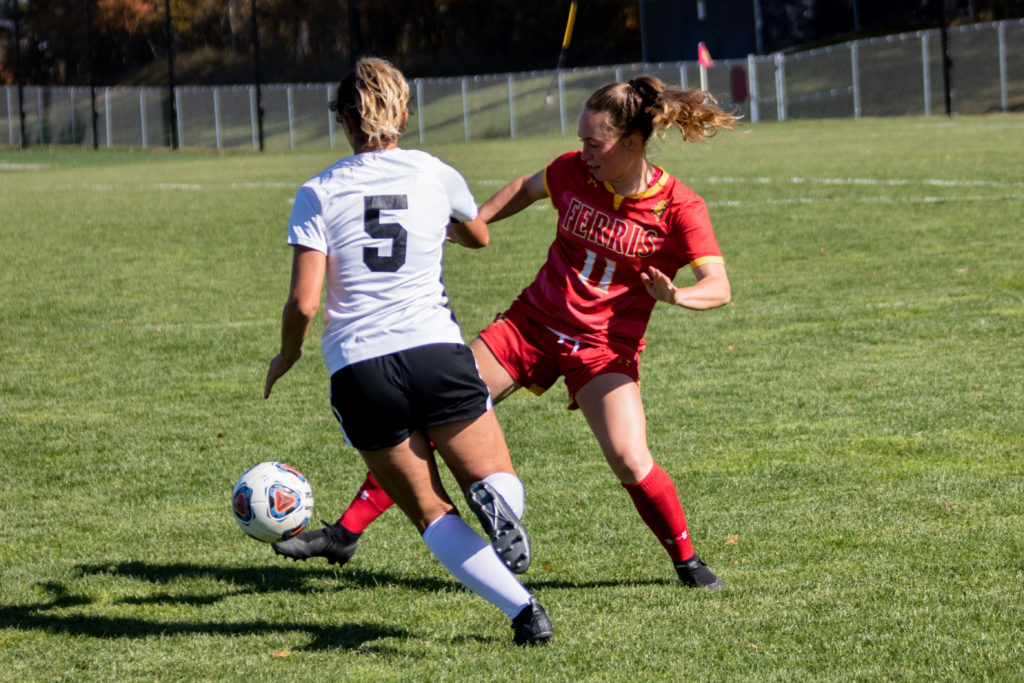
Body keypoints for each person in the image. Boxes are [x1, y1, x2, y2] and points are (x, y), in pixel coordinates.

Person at [274, 73, 737, 589]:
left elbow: (718, 287)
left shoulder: (680, 207)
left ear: (631, 142)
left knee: (630, 458)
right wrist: (467, 223)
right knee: (431, 412)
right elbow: (526, 188)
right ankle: (346, 532)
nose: (583, 152)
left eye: (594, 143)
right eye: (581, 140)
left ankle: (687, 561)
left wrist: (677, 296)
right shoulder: (572, 171)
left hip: (603, 348)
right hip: (530, 325)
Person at [263, 56, 552, 645]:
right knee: (495, 480)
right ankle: (495, 502)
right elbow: (478, 235)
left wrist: (287, 354)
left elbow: (303, 304)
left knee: (429, 511)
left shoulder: (317, 191)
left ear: (344, 120)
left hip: (359, 368)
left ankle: (526, 614)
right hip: (434, 351)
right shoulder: (433, 173)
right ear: (405, 113)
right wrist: (444, 221)